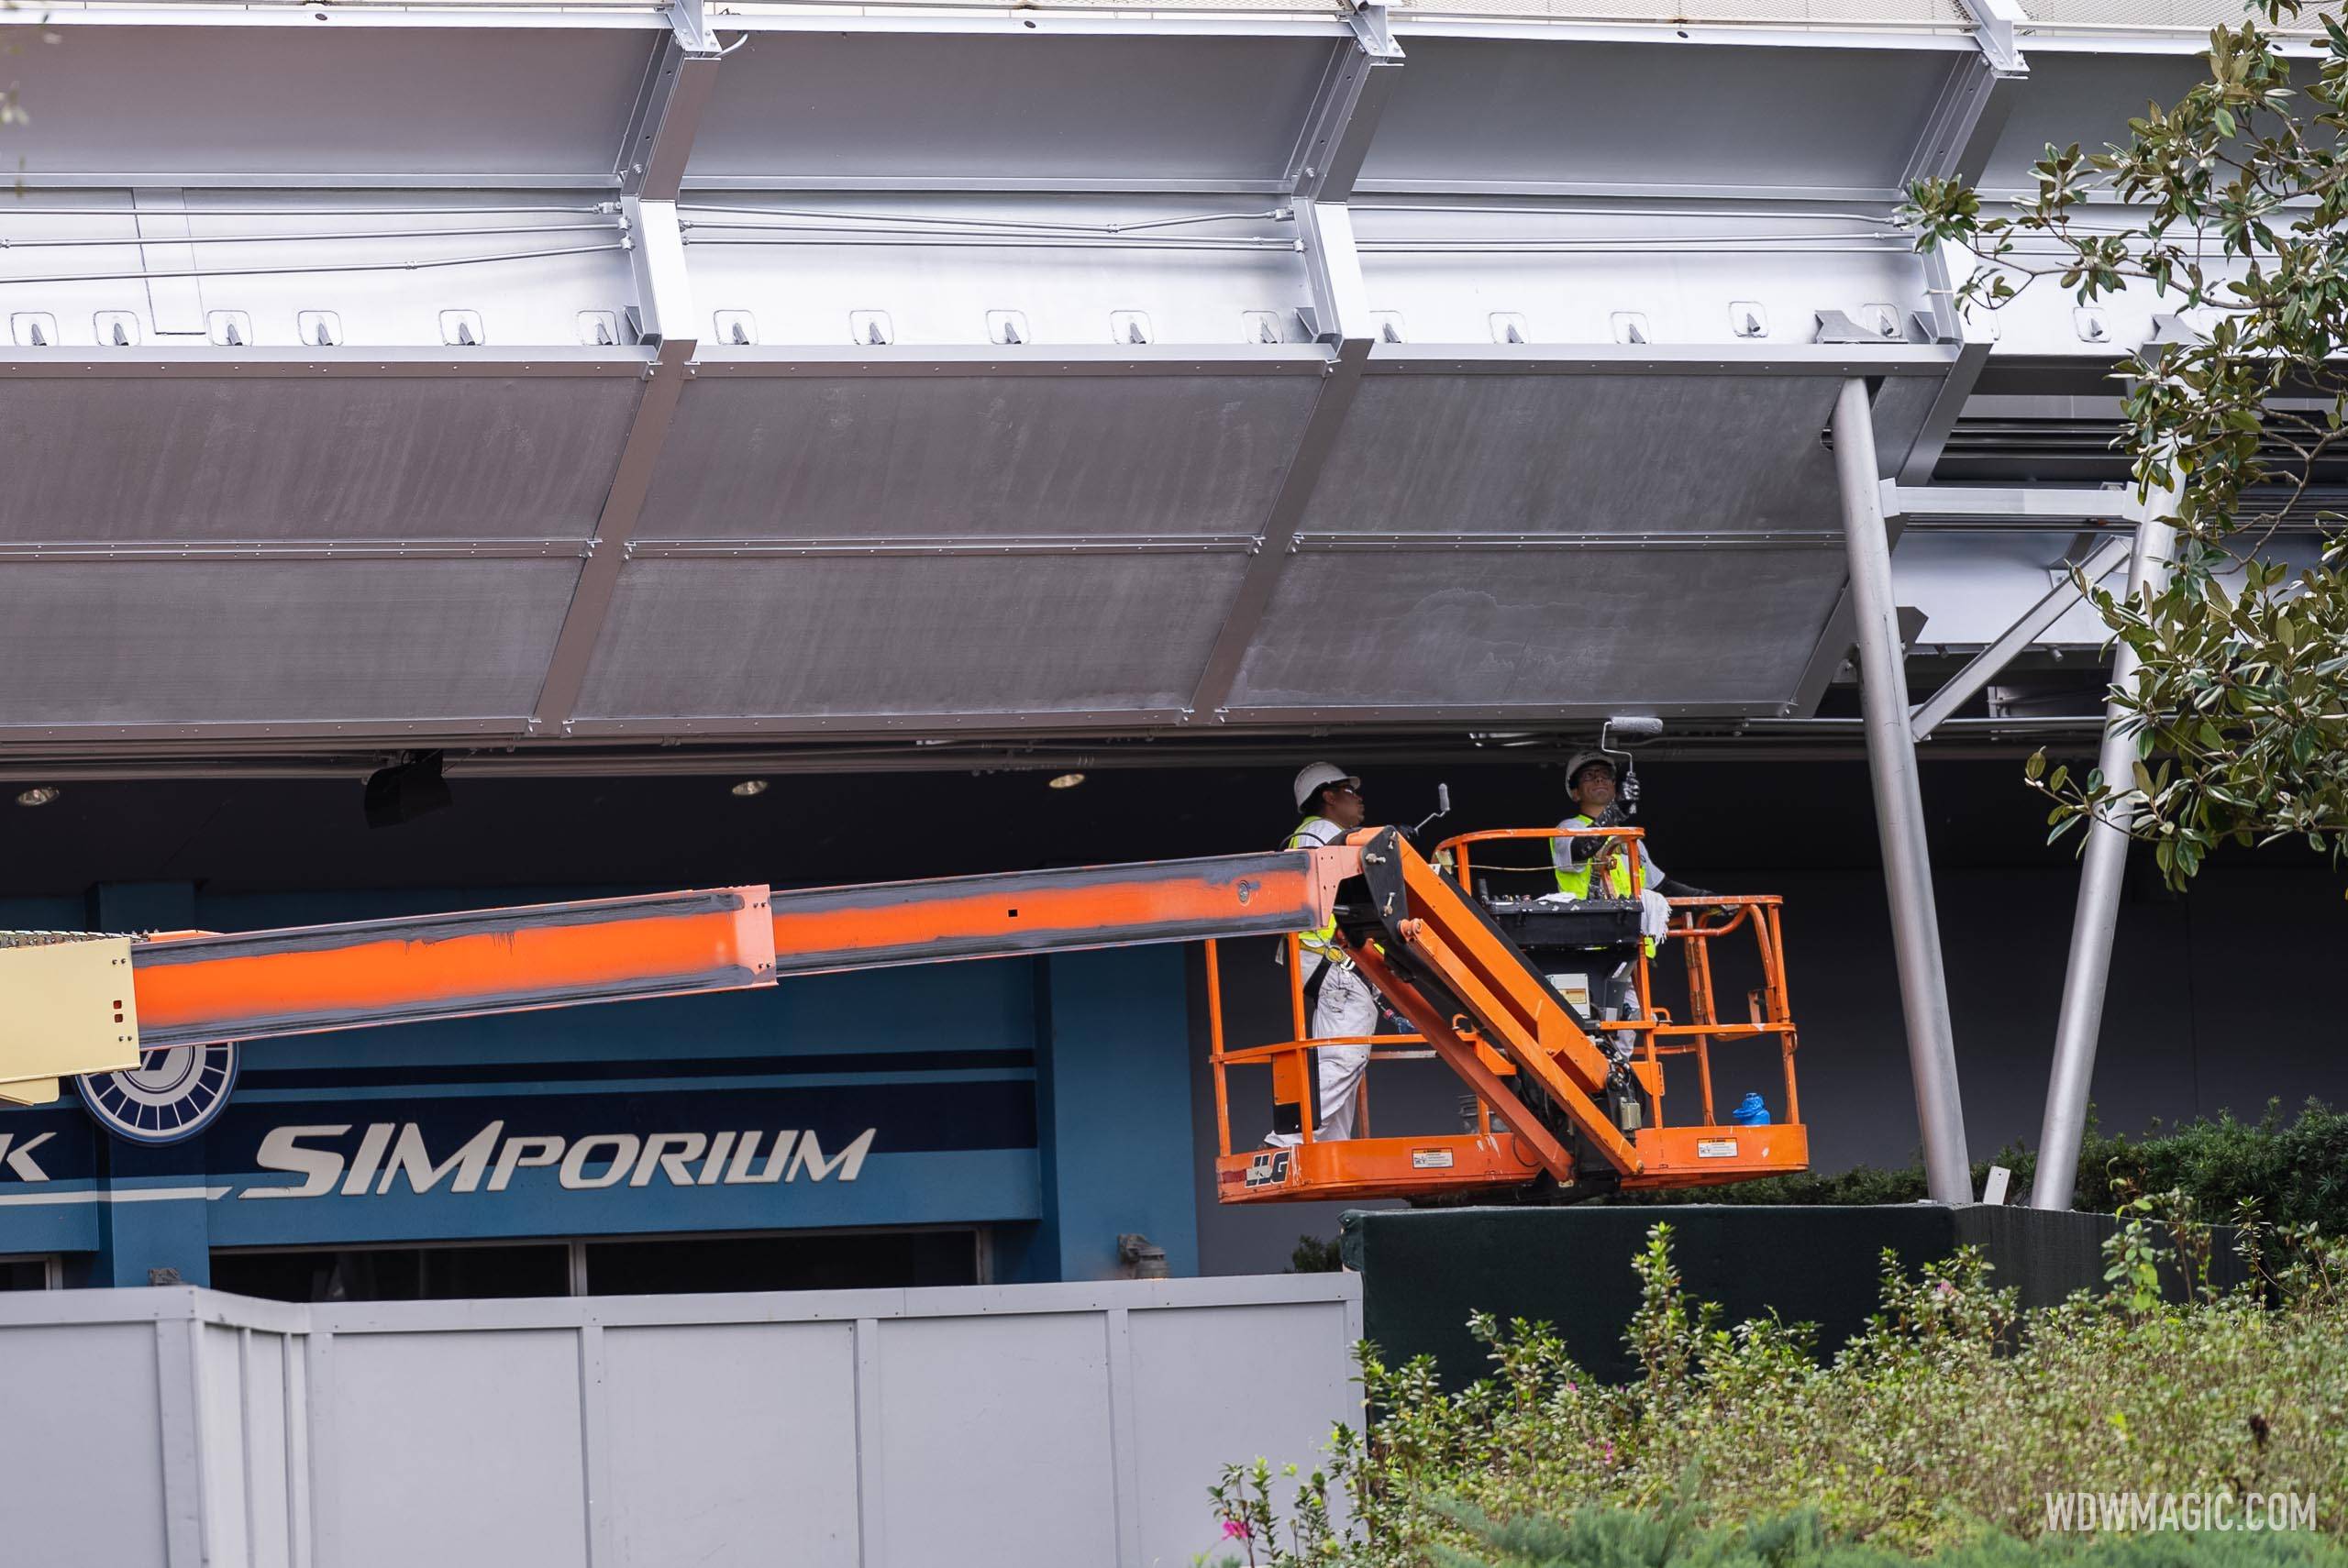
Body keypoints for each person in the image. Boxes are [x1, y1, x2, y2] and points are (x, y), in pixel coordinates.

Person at [1265, 762, 1379, 1146]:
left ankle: (1329, 1146)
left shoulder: (1311, 837)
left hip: (1325, 961)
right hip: (1332, 960)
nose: (1359, 798)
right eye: (1350, 791)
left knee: (1337, 1053)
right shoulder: (1322, 833)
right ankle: (1289, 1138)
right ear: (1329, 796)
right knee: (1346, 1055)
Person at [1550, 752, 1715, 946]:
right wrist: (1616, 811)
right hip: (1589, 941)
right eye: (1588, 775)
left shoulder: (1630, 838)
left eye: (1605, 774)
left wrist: (1707, 898)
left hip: (1633, 944)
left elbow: (1662, 887)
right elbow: (1582, 848)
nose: (1599, 778)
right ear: (1575, 792)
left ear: (1615, 788)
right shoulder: (1568, 828)